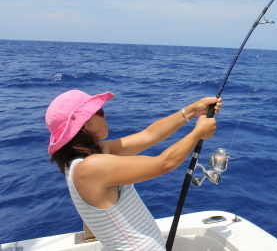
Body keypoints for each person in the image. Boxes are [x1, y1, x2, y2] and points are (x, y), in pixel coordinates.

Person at [45, 89, 222, 251]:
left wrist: (191, 111)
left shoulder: (89, 158)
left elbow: (148, 135)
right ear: (82, 124)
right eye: (99, 112)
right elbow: (163, 164)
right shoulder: (91, 167)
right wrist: (198, 133)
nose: (105, 117)